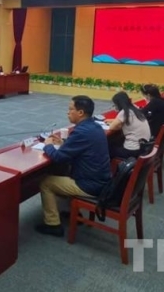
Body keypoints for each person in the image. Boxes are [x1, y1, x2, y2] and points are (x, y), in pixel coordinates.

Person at [35, 95, 111, 237]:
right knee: (63, 171)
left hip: (90, 185)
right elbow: (81, 148)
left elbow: (58, 157)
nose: (67, 112)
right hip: (101, 180)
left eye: (70, 109)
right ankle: (73, 212)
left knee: (46, 182)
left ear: (80, 112)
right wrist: (64, 144)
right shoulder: (95, 126)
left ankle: (52, 224)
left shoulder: (81, 132)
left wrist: (48, 145)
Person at [106, 92, 151, 159]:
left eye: (115, 105)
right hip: (143, 147)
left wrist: (116, 121)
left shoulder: (124, 112)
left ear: (118, 104)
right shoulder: (135, 109)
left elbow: (112, 127)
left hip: (132, 150)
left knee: (107, 147)